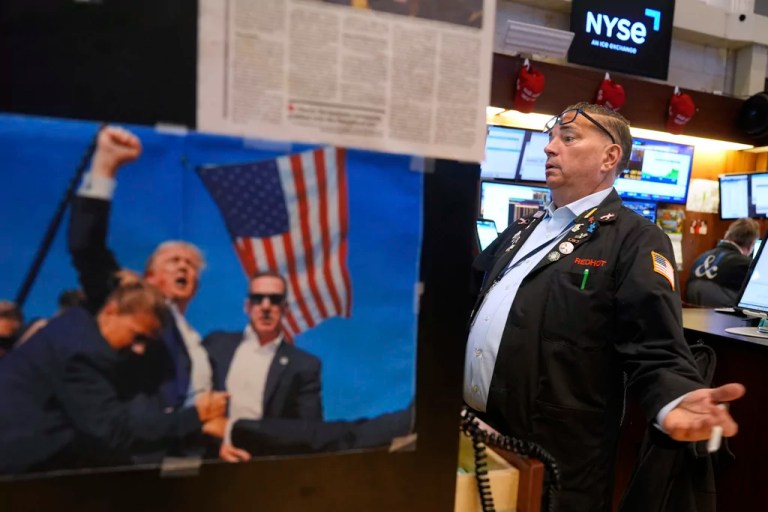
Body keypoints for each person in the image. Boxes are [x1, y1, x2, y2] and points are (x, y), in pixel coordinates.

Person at [463, 102, 745, 511]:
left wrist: (676, 397)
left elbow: (656, 346)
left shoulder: (635, 239)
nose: (550, 148)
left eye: (569, 137)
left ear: (610, 157)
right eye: (551, 137)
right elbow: (469, 304)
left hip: (559, 458)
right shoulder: (520, 231)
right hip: (480, 435)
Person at [0, 282, 228, 475]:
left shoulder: (81, 328)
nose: (140, 350)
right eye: (137, 336)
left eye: (147, 342)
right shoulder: (80, 354)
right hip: (21, 471)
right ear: (111, 310)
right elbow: (115, 431)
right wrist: (197, 416)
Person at [68, 126, 212, 414]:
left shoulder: (196, 338)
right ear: (149, 277)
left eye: (190, 265)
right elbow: (86, 247)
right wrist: (105, 166)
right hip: (141, 449)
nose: (183, 266)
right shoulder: (129, 303)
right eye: (173, 261)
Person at [204, 271, 323, 462]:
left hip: (266, 466)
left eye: (274, 300)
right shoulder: (216, 346)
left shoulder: (304, 366)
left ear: (285, 309)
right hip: (212, 459)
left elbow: (308, 429)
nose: (266, 306)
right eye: (258, 299)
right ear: (247, 306)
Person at [685, 218, 760, 307]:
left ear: (727, 235)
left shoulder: (701, 257)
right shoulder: (746, 264)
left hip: (692, 317)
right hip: (725, 319)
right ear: (752, 244)